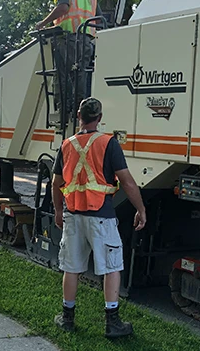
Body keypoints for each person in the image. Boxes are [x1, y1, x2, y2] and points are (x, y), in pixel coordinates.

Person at [51, 97, 146, 338]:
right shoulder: (108, 143)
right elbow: (127, 182)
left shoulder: (66, 145)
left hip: (73, 215)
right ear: (100, 118)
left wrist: (58, 210)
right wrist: (141, 209)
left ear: (79, 117)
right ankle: (112, 323)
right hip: (101, 216)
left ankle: (67, 317)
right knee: (111, 267)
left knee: (71, 268)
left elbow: (56, 184)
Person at [35, 0, 102, 113]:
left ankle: (64, 109)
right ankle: (81, 108)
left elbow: (63, 8)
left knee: (62, 74)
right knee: (79, 73)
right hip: (87, 40)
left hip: (68, 38)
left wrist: (42, 23)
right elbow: (99, 20)